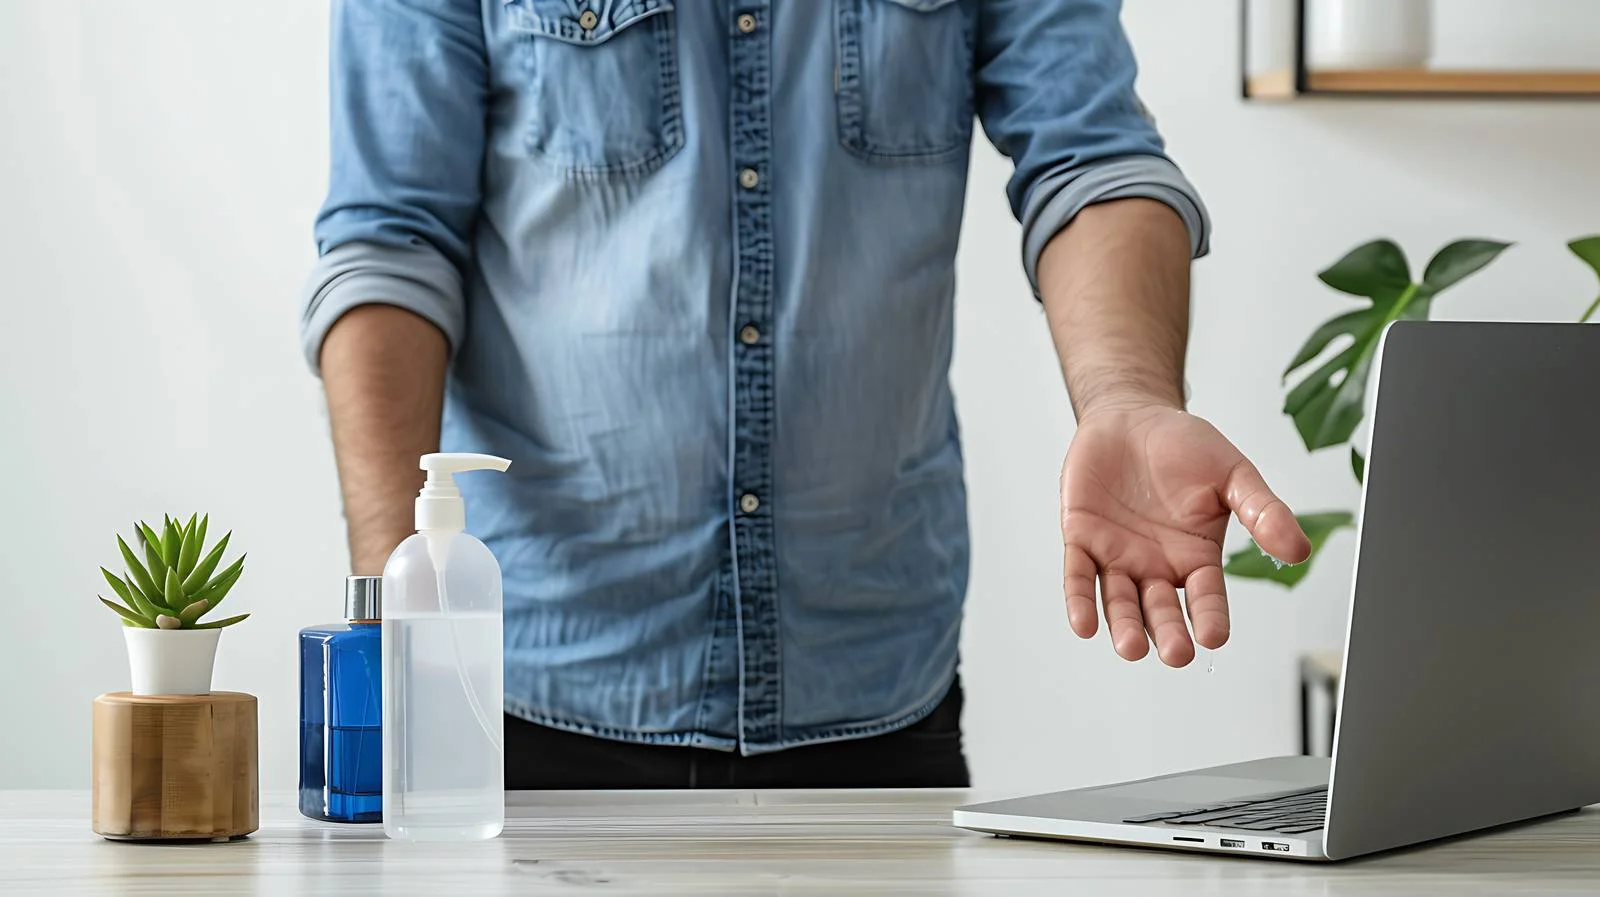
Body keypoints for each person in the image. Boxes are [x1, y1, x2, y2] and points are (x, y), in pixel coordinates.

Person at [298, 0, 1311, 790]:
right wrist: (398, 626)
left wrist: (1127, 396)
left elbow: (1090, 156)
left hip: (873, 689)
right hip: (523, 696)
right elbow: (392, 247)